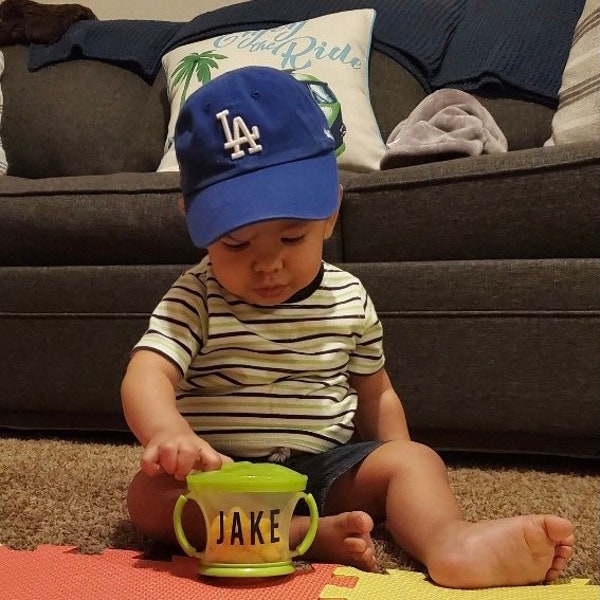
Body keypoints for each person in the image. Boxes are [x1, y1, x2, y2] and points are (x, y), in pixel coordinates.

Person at [121, 66, 574, 589]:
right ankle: (299, 535)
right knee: (149, 500)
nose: (267, 265)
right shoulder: (194, 295)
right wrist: (168, 431)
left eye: (292, 238)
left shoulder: (350, 297)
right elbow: (146, 374)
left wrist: (394, 463)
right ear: (193, 221)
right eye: (236, 245)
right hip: (221, 479)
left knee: (415, 462)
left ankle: (450, 541)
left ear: (331, 211)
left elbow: (375, 392)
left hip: (323, 472)